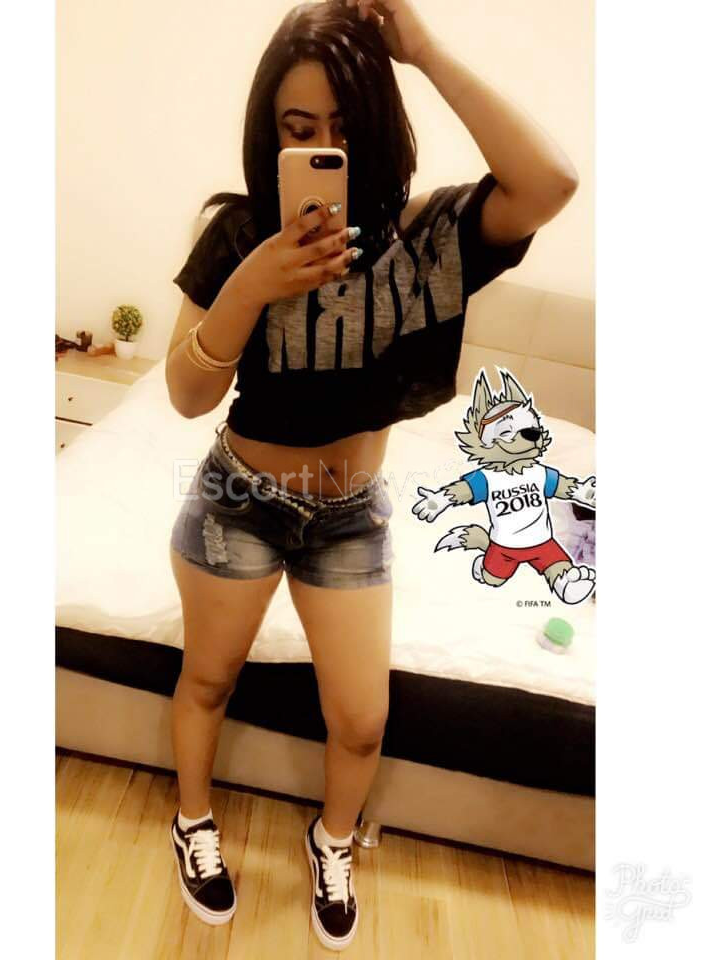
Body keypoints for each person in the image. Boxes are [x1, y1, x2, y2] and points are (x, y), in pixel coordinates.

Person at [166, 0, 578, 948]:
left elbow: (550, 180)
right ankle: (193, 820)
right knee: (207, 681)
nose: (322, 149)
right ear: (268, 134)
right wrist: (250, 287)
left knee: (360, 721)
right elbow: (187, 394)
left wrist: (422, 47)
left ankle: (333, 839)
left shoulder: (431, 240)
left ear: (380, 128)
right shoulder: (238, 236)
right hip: (238, 500)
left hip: (349, 515)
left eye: (344, 129)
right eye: (298, 129)